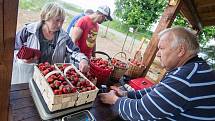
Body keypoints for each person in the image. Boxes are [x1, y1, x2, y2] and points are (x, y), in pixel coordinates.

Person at [99, 27, 215, 120]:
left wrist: (114, 100)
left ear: (180, 50)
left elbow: (142, 111)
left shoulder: (186, 78)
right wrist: (127, 95)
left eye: (161, 48)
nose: (158, 54)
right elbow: (159, 90)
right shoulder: (193, 69)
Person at [12, 3, 89, 84]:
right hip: (27, 77)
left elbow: (74, 52)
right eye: (57, 20)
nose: (60, 24)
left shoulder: (64, 37)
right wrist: (22, 59)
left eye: (62, 21)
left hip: (50, 80)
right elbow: (13, 50)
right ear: (46, 18)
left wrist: (83, 60)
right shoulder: (28, 31)